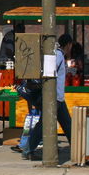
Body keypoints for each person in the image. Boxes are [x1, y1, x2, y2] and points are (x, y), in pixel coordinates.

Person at [20, 33, 73, 161]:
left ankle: (79, 149)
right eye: (71, 45)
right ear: (68, 45)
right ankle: (28, 150)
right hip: (54, 98)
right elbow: (50, 72)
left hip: (57, 97)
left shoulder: (58, 55)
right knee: (49, 125)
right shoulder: (59, 55)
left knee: (66, 125)